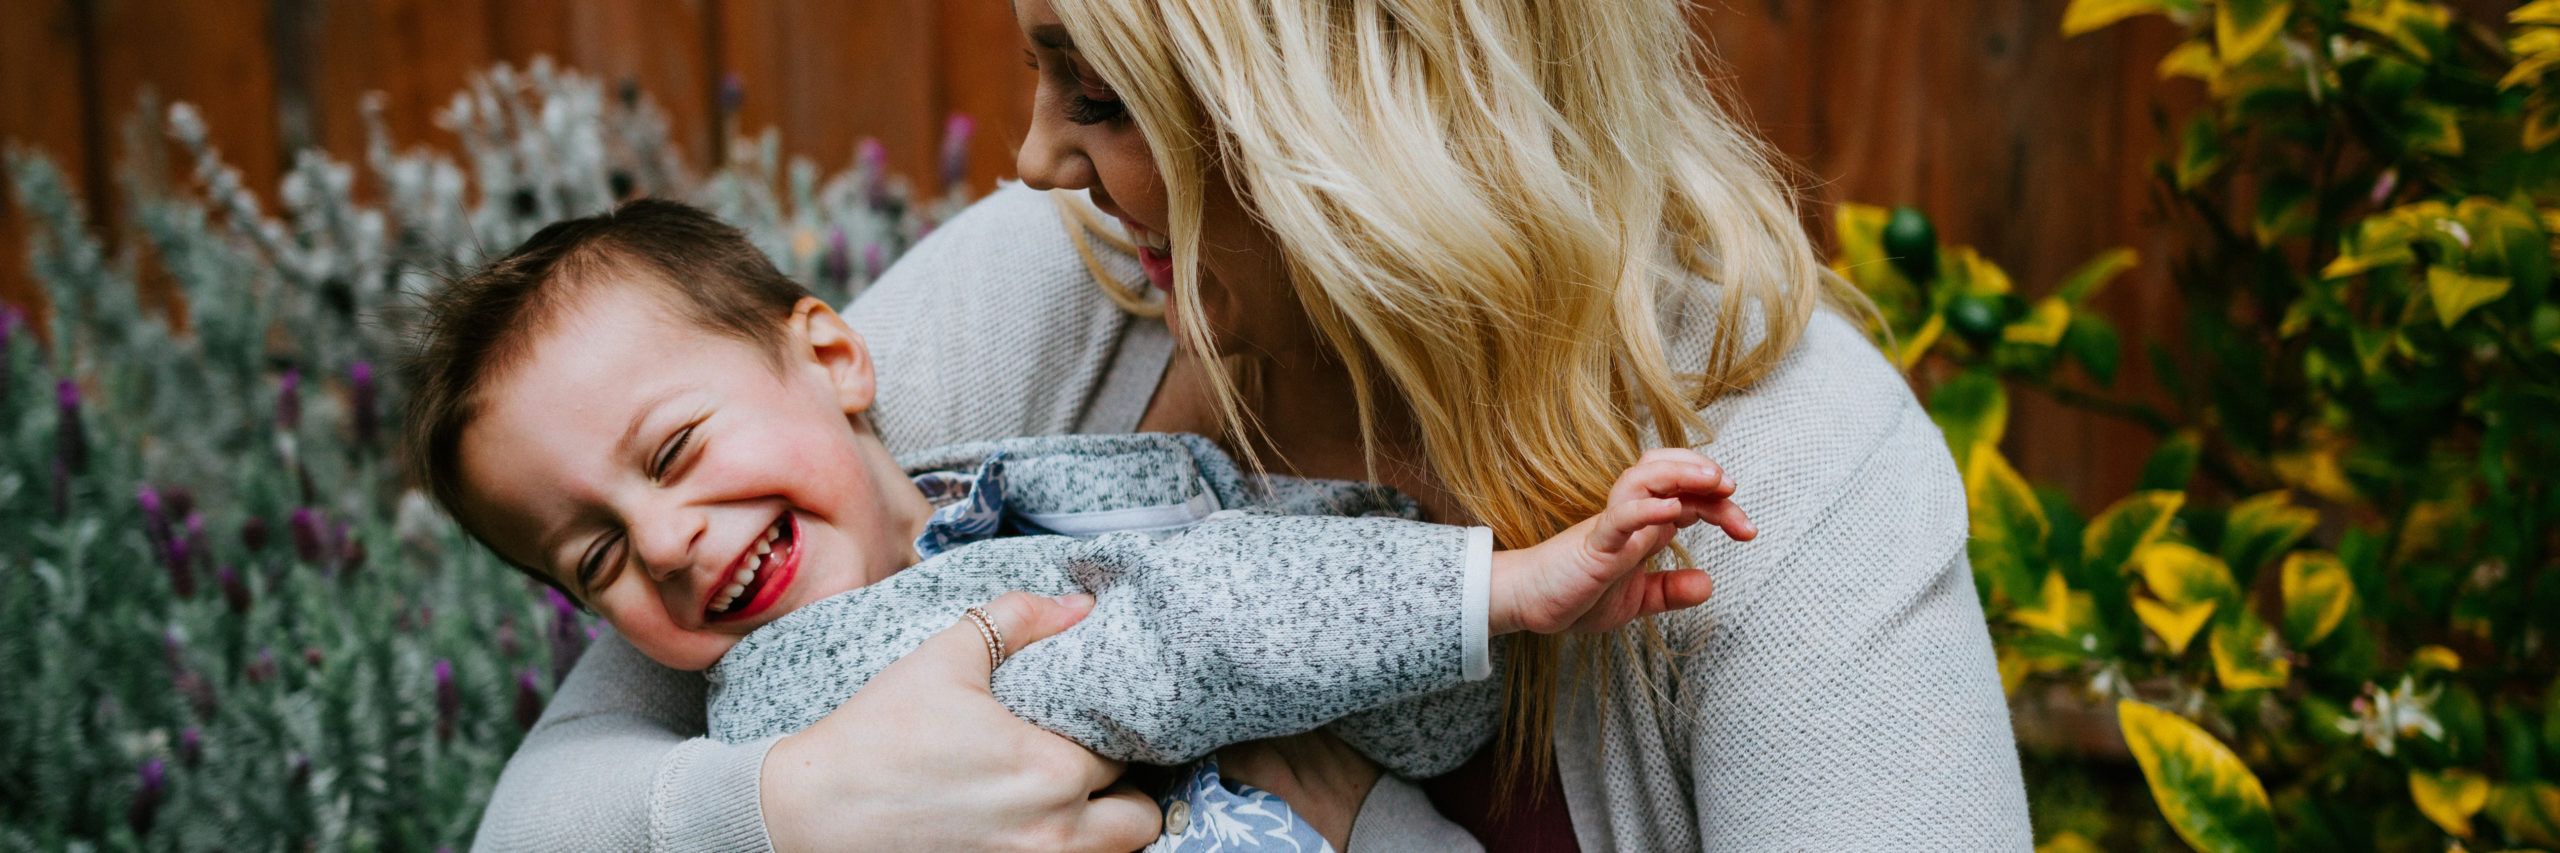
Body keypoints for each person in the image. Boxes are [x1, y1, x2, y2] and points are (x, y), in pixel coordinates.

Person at [471, 0, 2033, 848]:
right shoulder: (1051, 290)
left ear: (1355, 112)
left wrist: (1357, 824)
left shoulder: (1786, 468)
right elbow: (547, 815)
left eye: (1102, 101)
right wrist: (784, 812)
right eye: (1041, 77)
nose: (1033, 161)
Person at [415, 200, 1752, 850]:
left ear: (833, 356)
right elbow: (1171, 642)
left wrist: (1450, 648)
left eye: (673, 451)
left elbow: (1280, 577)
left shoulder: (1037, 485)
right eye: (594, 557)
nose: (661, 541)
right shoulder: (807, 681)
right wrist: (1496, 592)